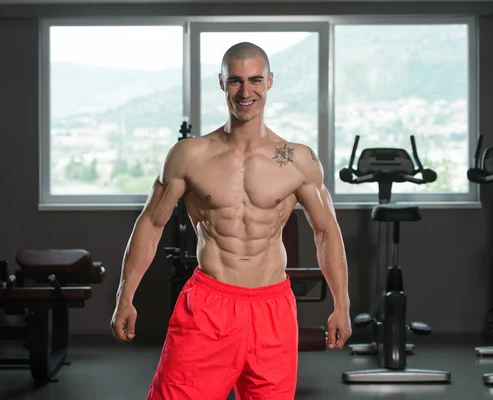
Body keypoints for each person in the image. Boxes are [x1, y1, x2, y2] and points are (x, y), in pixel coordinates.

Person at [111, 42, 351, 399]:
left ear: (270, 81)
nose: (246, 90)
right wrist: (124, 296)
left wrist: (342, 305)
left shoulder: (297, 160)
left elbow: (326, 231)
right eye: (235, 80)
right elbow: (151, 224)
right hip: (209, 306)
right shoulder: (189, 156)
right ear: (221, 83)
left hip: (272, 309)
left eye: (255, 79)